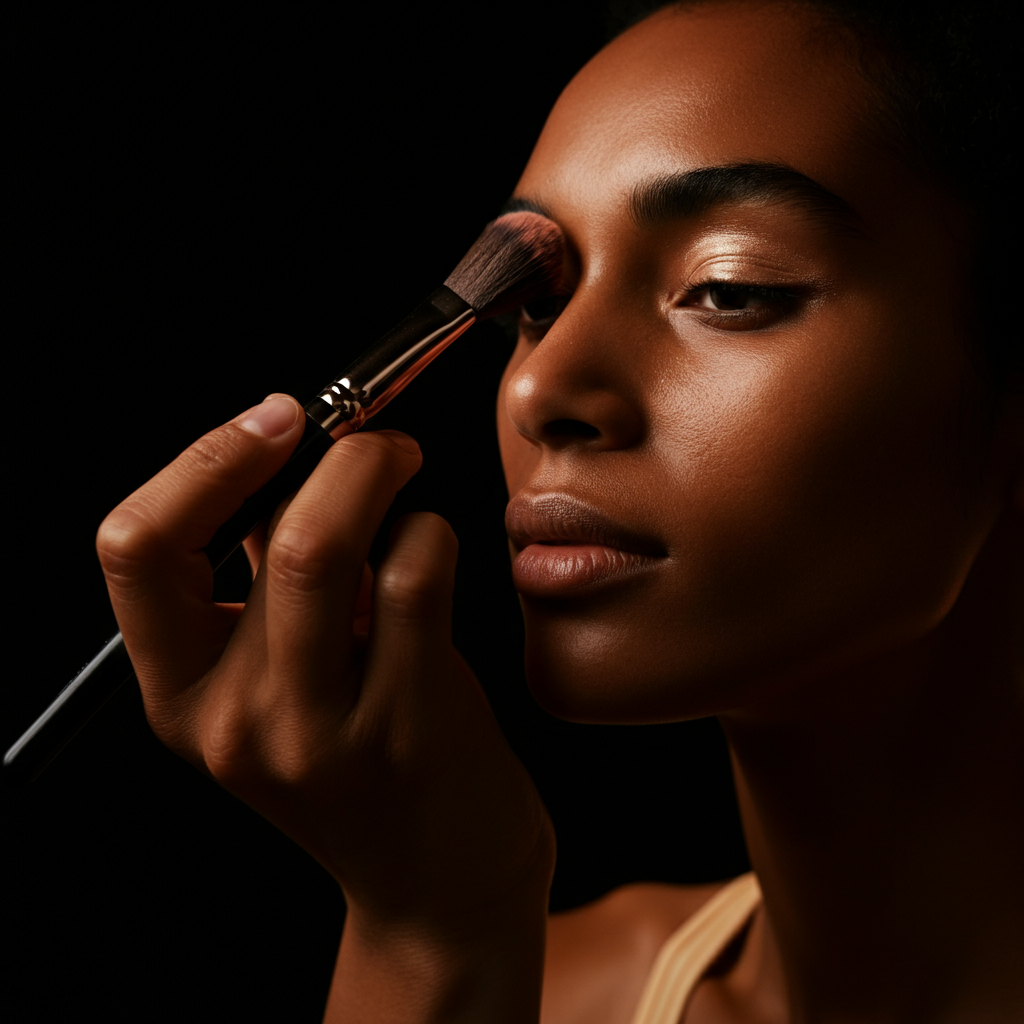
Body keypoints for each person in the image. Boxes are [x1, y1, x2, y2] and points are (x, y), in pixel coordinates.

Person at [94, 1, 1022, 1021]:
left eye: (726, 286)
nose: (540, 387)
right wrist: (427, 930)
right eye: (538, 302)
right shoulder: (540, 987)